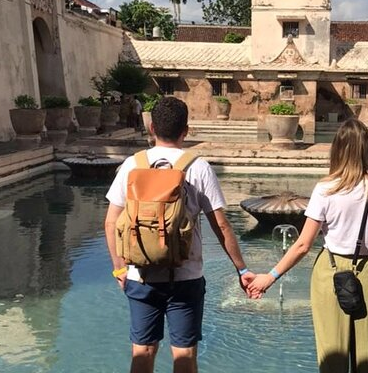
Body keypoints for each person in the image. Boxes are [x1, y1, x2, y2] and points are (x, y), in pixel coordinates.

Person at [104, 96, 255, 373]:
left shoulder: (131, 165)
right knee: (184, 356)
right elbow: (221, 225)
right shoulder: (197, 167)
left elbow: (111, 221)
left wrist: (118, 269)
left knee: (143, 352)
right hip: (185, 277)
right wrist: (241, 268)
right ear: (186, 130)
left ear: (151, 128)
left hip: (141, 275)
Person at [248, 119, 368, 373]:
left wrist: (271, 276)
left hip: (330, 272)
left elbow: (302, 245)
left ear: (337, 151)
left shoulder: (325, 189)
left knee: (333, 355)